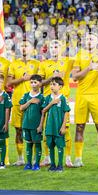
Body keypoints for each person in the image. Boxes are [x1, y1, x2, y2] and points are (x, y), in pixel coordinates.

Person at [72, 33, 98, 168]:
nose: (89, 41)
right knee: (79, 126)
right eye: (87, 39)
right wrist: (89, 68)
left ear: (96, 42)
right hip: (81, 95)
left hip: (97, 95)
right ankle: (78, 159)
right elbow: (75, 77)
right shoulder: (79, 55)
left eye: (92, 38)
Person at [38, 39, 74, 167]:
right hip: (48, 100)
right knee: (48, 129)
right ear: (49, 49)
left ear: (62, 48)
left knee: (66, 129)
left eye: (57, 46)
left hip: (63, 100)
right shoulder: (44, 64)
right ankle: (47, 157)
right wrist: (51, 78)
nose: (54, 48)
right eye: (52, 46)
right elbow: (40, 83)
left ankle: (68, 158)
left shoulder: (68, 61)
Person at [7, 40, 39, 166]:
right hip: (18, 102)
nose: (24, 48)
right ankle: (20, 158)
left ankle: (36, 158)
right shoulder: (14, 64)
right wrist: (23, 79)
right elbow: (9, 83)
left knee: (34, 131)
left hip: (34, 102)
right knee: (19, 130)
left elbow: (42, 82)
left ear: (32, 49)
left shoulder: (37, 64)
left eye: (26, 46)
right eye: (22, 46)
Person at [38, 77, 70, 172]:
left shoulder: (63, 98)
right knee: (50, 146)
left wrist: (63, 126)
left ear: (60, 87)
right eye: (51, 84)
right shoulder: (48, 98)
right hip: (49, 127)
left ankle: (60, 165)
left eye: (54, 84)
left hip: (58, 127)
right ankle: (52, 165)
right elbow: (43, 110)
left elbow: (66, 112)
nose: (51, 86)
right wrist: (51, 103)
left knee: (60, 146)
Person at [19, 74, 45, 171]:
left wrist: (41, 125)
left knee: (37, 144)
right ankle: (29, 163)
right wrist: (30, 101)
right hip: (26, 124)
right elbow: (21, 108)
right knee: (28, 144)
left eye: (35, 82)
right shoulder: (26, 96)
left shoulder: (42, 98)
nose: (33, 84)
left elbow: (43, 113)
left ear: (40, 84)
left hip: (36, 126)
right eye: (31, 82)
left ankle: (37, 164)